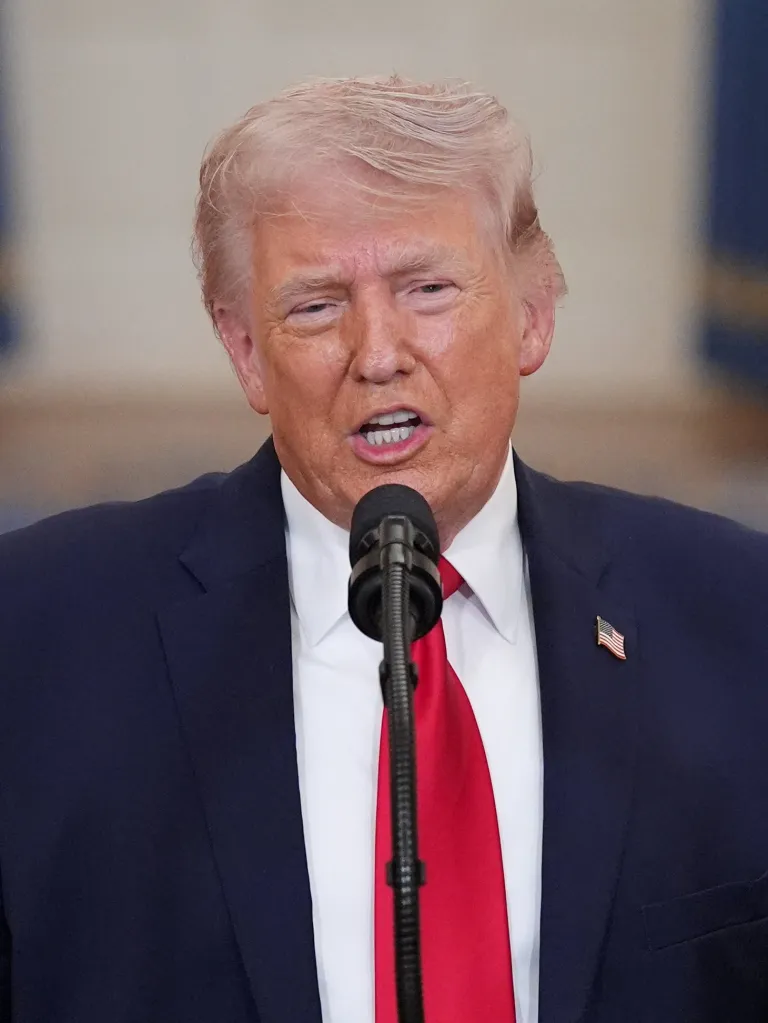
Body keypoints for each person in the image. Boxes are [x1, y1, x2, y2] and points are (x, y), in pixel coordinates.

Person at [0, 75, 766, 1023]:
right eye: (316, 307)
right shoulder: (35, 637)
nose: (378, 352)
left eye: (428, 289)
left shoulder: (740, 613)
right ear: (245, 351)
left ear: (533, 315)